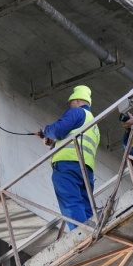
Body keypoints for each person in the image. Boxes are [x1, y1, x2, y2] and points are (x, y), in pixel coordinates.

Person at [42, 85, 100, 231]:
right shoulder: (94, 124)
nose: (69, 107)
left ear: (78, 100)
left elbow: (57, 130)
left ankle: (81, 234)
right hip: (86, 169)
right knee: (85, 204)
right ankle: (91, 231)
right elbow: (73, 136)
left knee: (70, 200)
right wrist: (53, 141)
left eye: (71, 103)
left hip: (68, 164)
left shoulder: (77, 112)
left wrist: (46, 131)